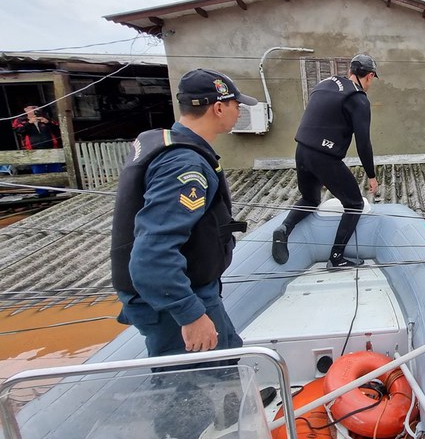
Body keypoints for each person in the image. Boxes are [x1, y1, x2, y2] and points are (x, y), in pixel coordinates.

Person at [111, 68, 256, 368]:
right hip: (175, 298)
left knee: (229, 356)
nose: (239, 110)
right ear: (218, 107)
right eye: (236, 104)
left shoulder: (165, 142)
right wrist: (189, 314)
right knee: (192, 392)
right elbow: (152, 253)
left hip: (189, 288)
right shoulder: (183, 164)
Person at [272, 53, 379, 269]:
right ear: (369, 76)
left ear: (350, 71)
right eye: (371, 79)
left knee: (310, 199)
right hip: (324, 156)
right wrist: (371, 175)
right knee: (354, 204)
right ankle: (336, 257)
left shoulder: (326, 82)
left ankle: (284, 229)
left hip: (302, 150)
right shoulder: (358, 99)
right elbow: (363, 143)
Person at [12, 105, 64, 195]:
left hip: (50, 148)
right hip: (33, 149)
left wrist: (48, 122)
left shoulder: (45, 118)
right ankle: (42, 192)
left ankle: (58, 189)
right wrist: (29, 123)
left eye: (35, 108)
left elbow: (59, 128)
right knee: (38, 171)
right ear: (25, 110)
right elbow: (19, 131)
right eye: (31, 108)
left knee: (55, 169)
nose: (34, 110)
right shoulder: (20, 120)